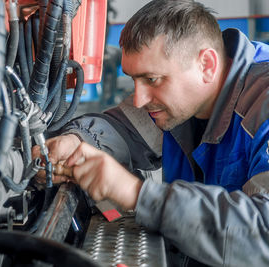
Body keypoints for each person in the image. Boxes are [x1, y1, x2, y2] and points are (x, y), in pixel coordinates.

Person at [33, 0, 269, 265]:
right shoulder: (181, 101)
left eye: (151, 80)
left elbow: (262, 233)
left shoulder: (262, 106)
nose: (139, 100)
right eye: (135, 80)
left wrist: (137, 193)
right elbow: (121, 128)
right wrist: (76, 142)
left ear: (207, 65)